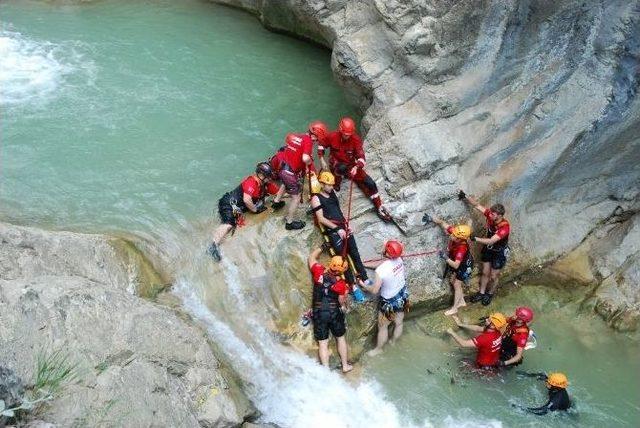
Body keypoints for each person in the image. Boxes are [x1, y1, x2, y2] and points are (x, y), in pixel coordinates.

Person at [317, 117, 392, 222]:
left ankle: (379, 206)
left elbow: (361, 156)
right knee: (340, 168)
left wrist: (357, 167)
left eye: (349, 135)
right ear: (340, 130)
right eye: (345, 134)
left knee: (370, 183)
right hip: (337, 163)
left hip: (351, 165)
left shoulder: (356, 140)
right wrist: (321, 159)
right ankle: (336, 183)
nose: (347, 136)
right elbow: (321, 145)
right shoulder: (332, 136)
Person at [207, 162, 278, 261]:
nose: (270, 178)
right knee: (229, 224)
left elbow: (279, 193)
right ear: (262, 175)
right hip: (229, 203)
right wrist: (255, 210)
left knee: (237, 223)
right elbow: (247, 199)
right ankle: (213, 245)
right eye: (268, 176)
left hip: (238, 206)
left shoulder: (265, 184)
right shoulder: (251, 182)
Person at [310, 171, 369, 288]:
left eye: (332, 185)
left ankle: (364, 277)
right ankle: (352, 284)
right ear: (322, 184)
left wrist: (347, 226)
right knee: (342, 259)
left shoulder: (332, 194)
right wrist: (338, 229)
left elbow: (338, 211)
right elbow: (321, 219)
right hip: (333, 230)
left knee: (355, 253)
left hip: (343, 226)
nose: (332, 187)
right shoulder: (316, 199)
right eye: (329, 185)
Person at [459, 190, 511, 306]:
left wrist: (475, 239)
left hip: (498, 252)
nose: (490, 215)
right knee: (485, 272)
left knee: (494, 276)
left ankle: (490, 293)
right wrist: (465, 196)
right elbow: (477, 205)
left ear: (500, 216)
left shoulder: (504, 227)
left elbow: (492, 240)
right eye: (491, 213)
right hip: (489, 249)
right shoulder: (490, 215)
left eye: (493, 214)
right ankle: (482, 293)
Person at [308, 245, 353, 373]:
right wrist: (345, 307)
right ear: (343, 271)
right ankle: (345, 366)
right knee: (340, 338)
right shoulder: (341, 285)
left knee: (323, 343)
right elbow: (341, 300)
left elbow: (311, 258)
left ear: (330, 264)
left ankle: (326, 372)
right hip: (334, 313)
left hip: (319, 313)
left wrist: (322, 248)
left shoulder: (318, 272)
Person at [362, 240, 409, 356]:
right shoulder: (399, 259)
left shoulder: (381, 271)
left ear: (386, 252)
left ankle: (379, 349)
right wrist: (366, 264)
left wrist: (364, 286)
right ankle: (393, 342)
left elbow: (374, 290)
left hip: (389, 301)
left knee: (383, 327)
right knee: (399, 322)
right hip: (402, 294)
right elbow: (386, 263)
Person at [270, 126, 319, 230]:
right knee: (296, 198)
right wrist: (310, 161)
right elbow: (305, 158)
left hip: (282, 168)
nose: (316, 142)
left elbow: (292, 151)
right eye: (317, 139)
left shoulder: (296, 136)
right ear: (314, 136)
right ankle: (289, 222)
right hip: (289, 173)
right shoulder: (308, 141)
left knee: (284, 183)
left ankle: (276, 202)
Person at [430, 216, 474, 315]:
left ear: (459, 239)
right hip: (462, 264)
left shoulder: (461, 248)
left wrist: (445, 257)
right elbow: (443, 223)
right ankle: (461, 301)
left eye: (454, 236)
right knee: (453, 281)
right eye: (452, 233)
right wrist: (432, 219)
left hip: (464, 266)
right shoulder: (457, 233)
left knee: (457, 284)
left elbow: (455, 265)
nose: (451, 235)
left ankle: (454, 308)